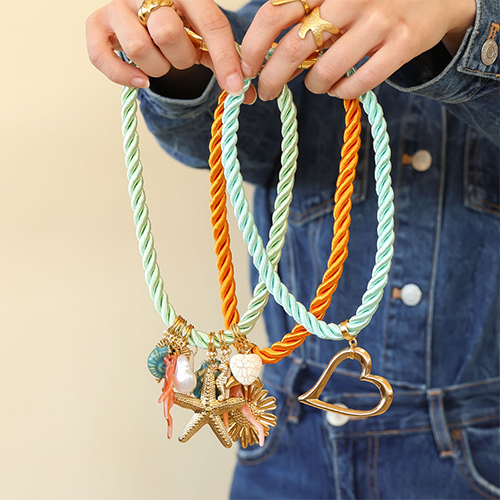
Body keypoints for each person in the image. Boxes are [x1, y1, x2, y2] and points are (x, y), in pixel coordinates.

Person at [87, 0, 500, 498]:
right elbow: (233, 117)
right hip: (287, 449)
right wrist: (173, 47)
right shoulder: (299, 19)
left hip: (481, 452)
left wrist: (467, 19)